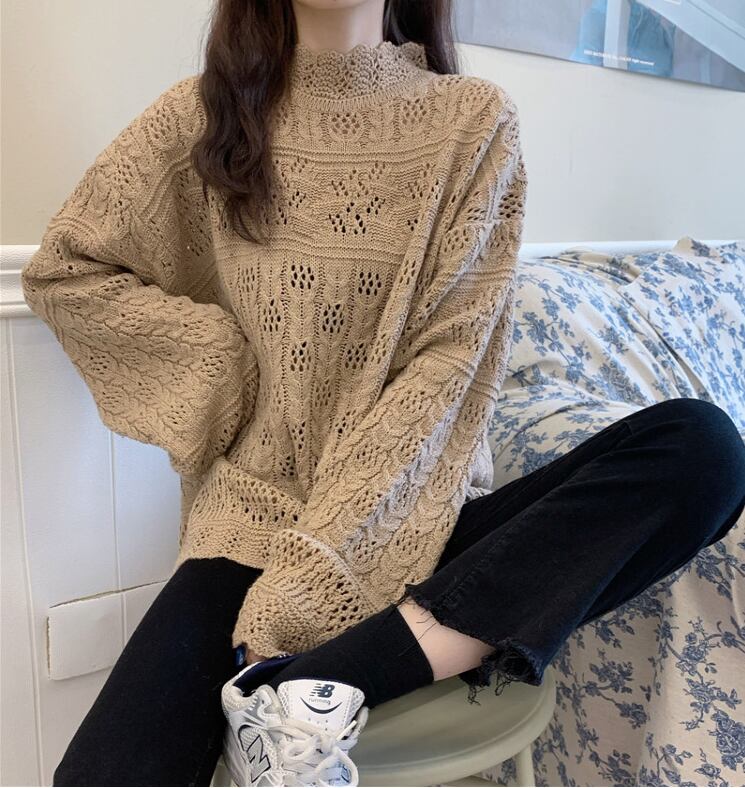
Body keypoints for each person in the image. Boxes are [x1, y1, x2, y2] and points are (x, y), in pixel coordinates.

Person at [20, 0, 745, 785]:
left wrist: (310, 588)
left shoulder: (470, 121)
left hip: (422, 519)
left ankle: (320, 686)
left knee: (700, 450)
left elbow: (443, 372)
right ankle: (318, 688)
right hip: (249, 526)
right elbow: (66, 270)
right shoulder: (200, 115)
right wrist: (221, 367)